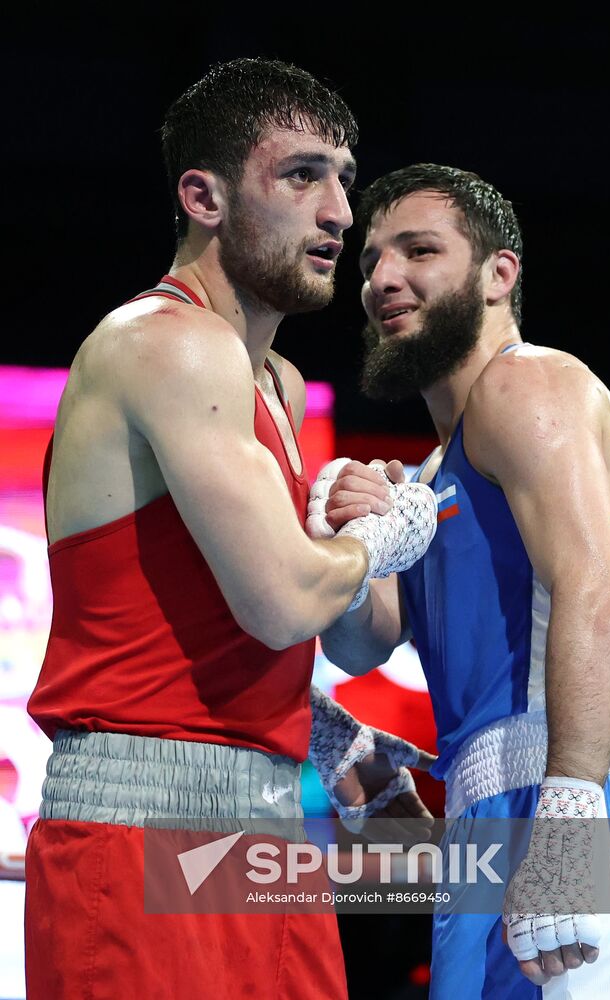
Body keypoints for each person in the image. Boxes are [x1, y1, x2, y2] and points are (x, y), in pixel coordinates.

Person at [23, 60, 438, 1000]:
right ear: (202, 196)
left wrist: (333, 735)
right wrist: (393, 532)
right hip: (139, 840)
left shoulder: (279, 386)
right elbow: (284, 599)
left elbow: (348, 636)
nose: (339, 210)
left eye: (344, 178)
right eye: (302, 176)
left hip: (268, 843)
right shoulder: (162, 342)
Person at [316, 164, 610, 998]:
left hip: (563, 798)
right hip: (477, 840)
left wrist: (564, 828)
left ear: (499, 274)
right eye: (372, 259)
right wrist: (348, 547)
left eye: (419, 250)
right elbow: (360, 645)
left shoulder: (525, 384)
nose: (383, 278)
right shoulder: (429, 474)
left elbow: (595, 594)